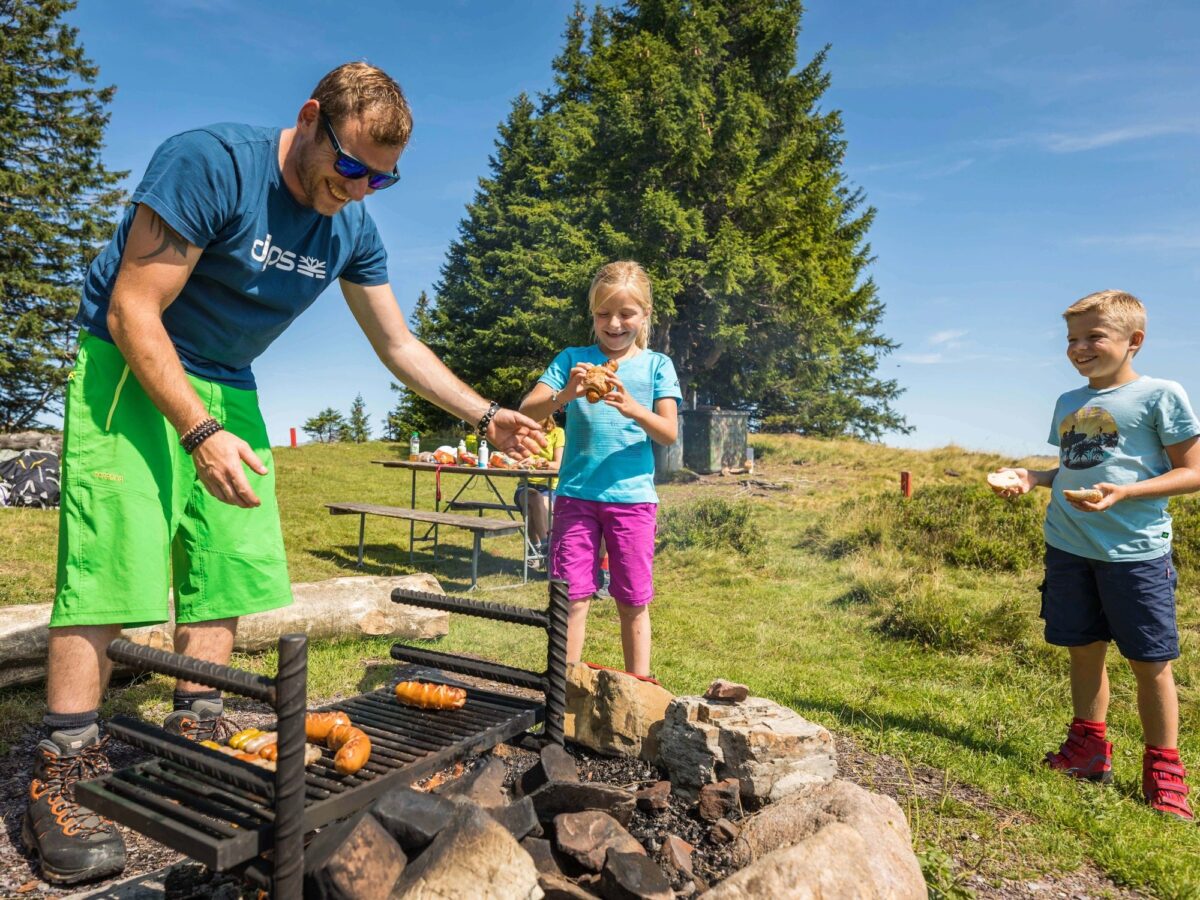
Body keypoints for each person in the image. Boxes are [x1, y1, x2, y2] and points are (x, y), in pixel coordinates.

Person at [26, 62, 544, 886]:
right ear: (310, 119)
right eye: (350, 166)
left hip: (229, 380)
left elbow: (398, 345)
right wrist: (197, 431)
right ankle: (64, 763)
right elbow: (132, 309)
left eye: (383, 177)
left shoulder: (350, 227)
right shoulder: (209, 165)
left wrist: (485, 415)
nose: (361, 188)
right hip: (132, 358)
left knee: (229, 558)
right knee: (111, 559)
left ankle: (198, 729)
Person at [989, 290, 1200, 821]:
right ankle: (1088, 750)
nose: (1079, 348)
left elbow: (1193, 472)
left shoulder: (1160, 395)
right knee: (1082, 649)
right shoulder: (1068, 403)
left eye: (1093, 337)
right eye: (1072, 339)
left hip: (1133, 553)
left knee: (1150, 662)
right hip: (1067, 545)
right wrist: (1033, 477)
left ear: (1135, 342)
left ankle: (1164, 768)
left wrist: (1126, 493)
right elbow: (1075, 466)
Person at [521, 261, 680, 677]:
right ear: (592, 315)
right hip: (575, 497)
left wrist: (632, 408)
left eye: (626, 314)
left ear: (645, 314)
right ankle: (563, 689)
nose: (613, 323)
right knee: (571, 596)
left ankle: (638, 687)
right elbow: (528, 409)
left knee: (632, 599)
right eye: (602, 314)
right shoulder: (573, 359)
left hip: (632, 502)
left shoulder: (657, 366)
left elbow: (667, 433)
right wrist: (566, 392)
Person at [513, 414, 564, 562]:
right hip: (525, 486)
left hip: (550, 487)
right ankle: (546, 546)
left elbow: (558, 464)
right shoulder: (523, 432)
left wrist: (545, 463)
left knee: (533, 508)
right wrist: (522, 462)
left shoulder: (557, 432)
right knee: (535, 497)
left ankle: (534, 549)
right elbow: (513, 461)